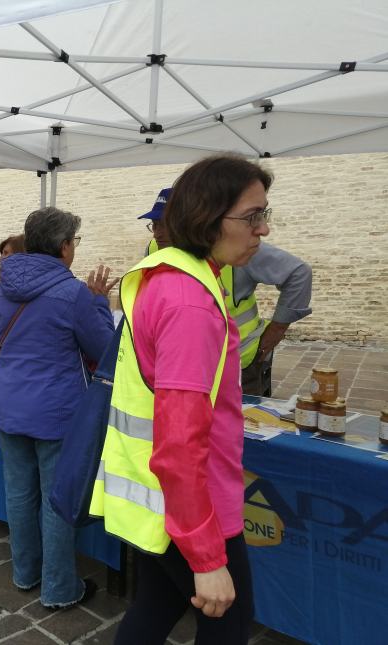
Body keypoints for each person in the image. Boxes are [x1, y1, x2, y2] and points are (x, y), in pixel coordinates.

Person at [97, 154, 272, 644]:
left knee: (155, 606)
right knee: (228, 626)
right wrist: (207, 557)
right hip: (197, 507)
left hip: (165, 499)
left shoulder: (167, 275)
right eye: (253, 215)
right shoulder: (191, 301)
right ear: (208, 217)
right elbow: (179, 441)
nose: (262, 229)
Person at [0, 208, 117, 610]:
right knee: (57, 500)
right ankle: (59, 588)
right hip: (56, 412)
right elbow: (104, 349)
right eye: (74, 242)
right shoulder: (74, 293)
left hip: (8, 403)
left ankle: (25, 573)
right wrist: (99, 303)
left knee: (18, 494)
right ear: (63, 246)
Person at [140, 187, 312, 396]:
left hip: (239, 362)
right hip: (182, 364)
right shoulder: (154, 249)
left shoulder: (232, 247)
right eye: (155, 225)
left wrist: (277, 329)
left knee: (243, 424)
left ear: (187, 222)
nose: (158, 232)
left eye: (165, 225)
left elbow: (299, 273)